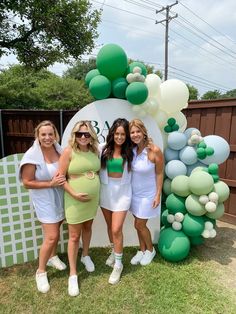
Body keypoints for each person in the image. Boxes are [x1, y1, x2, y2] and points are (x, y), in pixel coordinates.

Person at [19, 120, 67, 294]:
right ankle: (41, 271)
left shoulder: (59, 150)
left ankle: (52, 257)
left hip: (60, 196)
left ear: (55, 135)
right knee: (52, 236)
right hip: (44, 200)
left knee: (58, 227)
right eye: (43, 134)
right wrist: (51, 183)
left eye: (50, 134)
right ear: (37, 136)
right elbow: (27, 182)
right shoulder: (32, 155)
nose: (47, 137)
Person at [58, 120, 100, 297]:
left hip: (92, 199)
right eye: (79, 134)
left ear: (91, 136)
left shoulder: (94, 151)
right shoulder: (68, 152)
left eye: (86, 134)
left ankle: (86, 255)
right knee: (74, 236)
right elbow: (60, 178)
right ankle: (73, 274)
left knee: (88, 228)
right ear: (74, 135)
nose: (83, 137)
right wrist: (74, 194)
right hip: (74, 199)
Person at [100, 118, 133, 285]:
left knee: (116, 228)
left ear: (127, 136)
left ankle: (118, 265)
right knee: (109, 227)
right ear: (112, 133)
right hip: (106, 191)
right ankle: (114, 252)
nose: (120, 137)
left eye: (123, 134)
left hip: (123, 192)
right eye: (117, 133)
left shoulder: (131, 151)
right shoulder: (102, 150)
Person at [129, 119, 164, 266]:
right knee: (137, 224)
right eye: (132, 132)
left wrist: (158, 194)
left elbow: (160, 173)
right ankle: (141, 250)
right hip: (134, 194)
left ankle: (150, 250)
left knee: (139, 224)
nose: (135, 134)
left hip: (148, 195)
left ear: (144, 132)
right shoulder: (132, 150)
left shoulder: (154, 150)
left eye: (138, 131)